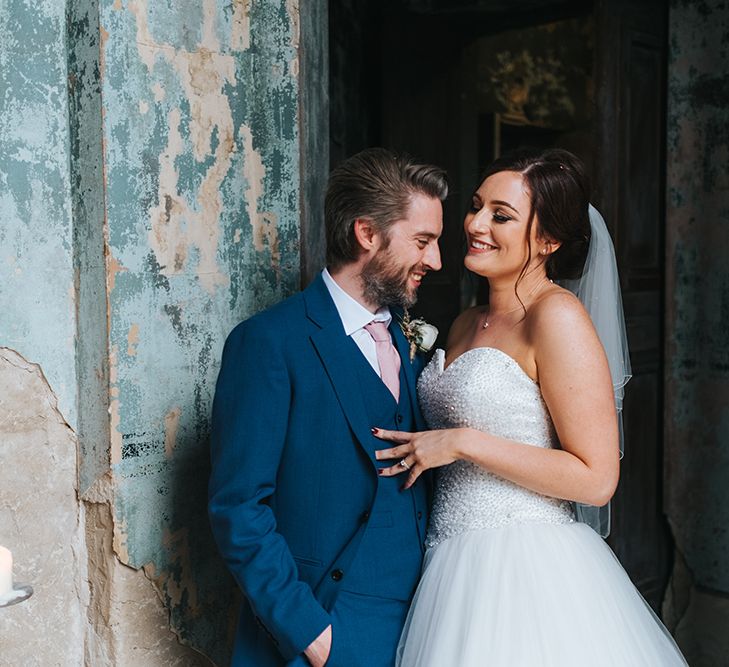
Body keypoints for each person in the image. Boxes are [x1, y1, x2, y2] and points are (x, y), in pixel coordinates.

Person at [374, 148, 688, 666]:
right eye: (476, 206)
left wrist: (462, 442)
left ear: (547, 240)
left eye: (502, 216)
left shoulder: (557, 318)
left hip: (522, 567)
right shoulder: (464, 322)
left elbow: (596, 478)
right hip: (444, 563)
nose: (475, 224)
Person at [208, 147, 448, 666]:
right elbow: (239, 506)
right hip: (326, 624)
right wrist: (312, 634)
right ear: (367, 234)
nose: (435, 261)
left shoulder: (408, 340)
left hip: (426, 624)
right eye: (423, 242)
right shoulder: (269, 342)